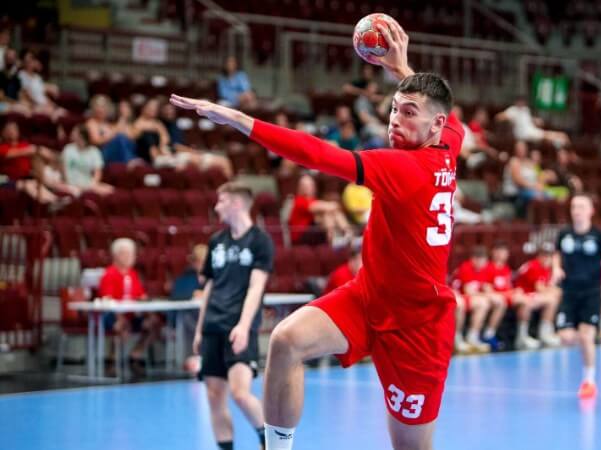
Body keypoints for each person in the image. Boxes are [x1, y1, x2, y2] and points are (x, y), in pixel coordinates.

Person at [171, 20, 463, 449]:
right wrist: (401, 69)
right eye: (394, 109)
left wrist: (240, 121)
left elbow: (318, 154)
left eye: (408, 113)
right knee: (286, 340)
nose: (395, 121)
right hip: (368, 297)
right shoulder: (449, 141)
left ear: (435, 124)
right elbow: (443, 111)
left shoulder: (404, 167)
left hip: (417, 325)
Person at [193, 182, 274, 450]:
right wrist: (199, 329)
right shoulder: (216, 242)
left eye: (222, 201)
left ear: (237, 204)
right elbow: (209, 287)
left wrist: (243, 326)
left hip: (239, 327)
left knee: (240, 393)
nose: (217, 207)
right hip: (212, 327)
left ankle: (269, 439)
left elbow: (256, 287)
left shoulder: (260, 241)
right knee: (214, 396)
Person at [551, 193, 601, 398]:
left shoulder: (599, 235)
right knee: (566, 337)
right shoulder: (564, 234)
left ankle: (589, 380)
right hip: (569, 292)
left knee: (586, 335)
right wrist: (556, 268)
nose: (577, 211)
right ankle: (586, 346)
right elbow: (557, 254)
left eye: (582, 207)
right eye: (574, 207)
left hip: (591, 292)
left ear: (591, 211)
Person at [98, 238, 162, 374]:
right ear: (117, 255)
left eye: (132, 254)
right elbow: (108, 301)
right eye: (127, 254)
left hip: (131, 314)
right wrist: (120, 317)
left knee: (154, 324)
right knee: (121, 325)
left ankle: (134, 356)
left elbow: (141, 297)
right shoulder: (109, 274)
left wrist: (148, 312)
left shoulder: (133, 274)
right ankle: (112, 361)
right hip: (112, 315)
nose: (131, 257)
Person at [488, 242, 545, 350]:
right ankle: (489, 334)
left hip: (508, 296)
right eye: (498, 251)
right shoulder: (488, 268)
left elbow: (509, 287)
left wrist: (515, 291)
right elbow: (488, 289)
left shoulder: (506, 269)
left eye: (503, 251)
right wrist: (509, 293)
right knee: (523, 301)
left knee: (526, 302)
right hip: (498, 297)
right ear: (493, 252)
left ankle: (522, 336)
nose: (500, 254)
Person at [169, 243, 208, 372]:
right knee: (189, 321)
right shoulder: (184, 279)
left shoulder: (217, 278)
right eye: (200, 262)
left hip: (211, 317)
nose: (202, 265)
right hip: (189, 319)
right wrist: (193, 294)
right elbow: (177, 297)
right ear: (194, 262)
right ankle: (193, 358)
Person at [451, 246, 497, 353]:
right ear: (473, 259)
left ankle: (473, 336)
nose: (481, 263)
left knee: (484, 304)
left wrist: (489, 294)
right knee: (462, 305)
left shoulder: (486, 269)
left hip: (469, 299)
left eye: (483, 260)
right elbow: (468, 291)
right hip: (458, 295)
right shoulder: (466, 267)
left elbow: (487, 288)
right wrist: (485, 295)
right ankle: (457, 338)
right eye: (479, 259)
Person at [515, 243, 561, 346]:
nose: (547, 258)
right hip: (522, 295)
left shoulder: (545, 268)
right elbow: (540, 288)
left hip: (531, 295)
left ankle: (545, 333)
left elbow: (546, 287)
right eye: (544, 255)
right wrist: (555, 291)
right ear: (539, 255)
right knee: (549, 299)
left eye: (549, 256)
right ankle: (521, 337)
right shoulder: (534, 266)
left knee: (552, 300)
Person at [288, 173, 354, 245]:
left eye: (310, 185)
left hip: (312, 231)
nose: (309, 188)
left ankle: (348, 235)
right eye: (306, 186)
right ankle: (338, 238)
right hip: (300, 235)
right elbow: (322, 207)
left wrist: (334, 206)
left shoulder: (312, 200)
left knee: (328, 213)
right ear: (301, 187)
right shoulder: (299, 200)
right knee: (327, 211)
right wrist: (336, 205)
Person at [61, 124, 114, 196]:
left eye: (74, 132)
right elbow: (64, 170)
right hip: (70, 184)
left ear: (81, 136)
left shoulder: (94, 151)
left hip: (88, 184)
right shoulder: (68, 149)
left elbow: (97, 173)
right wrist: (69, 183)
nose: (72, 133)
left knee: (110, 189)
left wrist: (92, 185)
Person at [85, 94, 138, 165]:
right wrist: (114, 133)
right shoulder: (91, 123)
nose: (101, 109)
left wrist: (123, 120)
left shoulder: (108, 123)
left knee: (127, 140)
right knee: (120, 137)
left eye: (104, 107)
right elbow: (96, 141)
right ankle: (130, 161)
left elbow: (129, 137)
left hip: (114, 152)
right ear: (94, 109)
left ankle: (133, 159)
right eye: (99, 107)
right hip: (100, 154)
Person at [496, 97, 570, 146]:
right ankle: (563, 145)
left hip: (532, 130)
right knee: (559, 136)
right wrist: (508, 119)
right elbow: (498, 117)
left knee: (562, 137)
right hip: (524, 134)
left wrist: (536, 120)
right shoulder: (513, 110)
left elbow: (528, 120)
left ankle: (561, 145)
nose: (522, 103)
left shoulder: (525, 109)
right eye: (520, 102)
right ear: (517, 102)